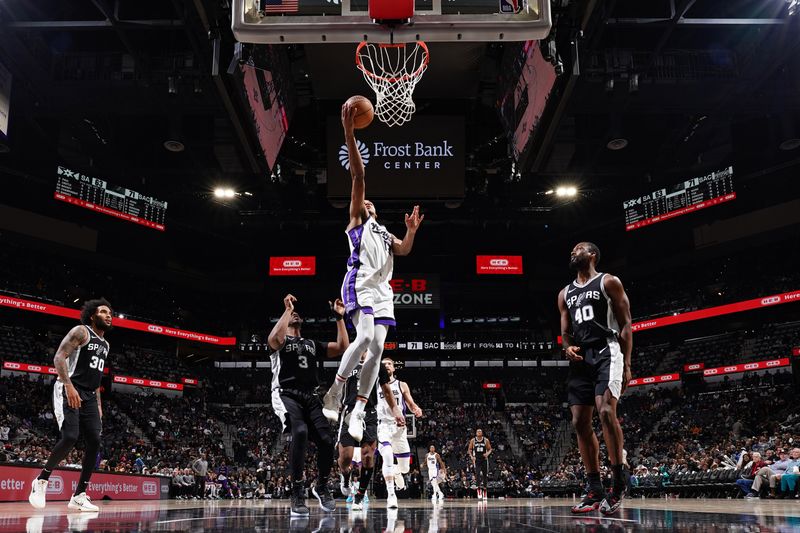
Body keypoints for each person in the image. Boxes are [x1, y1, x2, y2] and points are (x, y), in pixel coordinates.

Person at [321, 100, 424, 441]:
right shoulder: (356, 223)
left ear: (375, 209)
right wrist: (349, 133)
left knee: (378, 349)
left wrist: (410, 231)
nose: (364, 202)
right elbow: (358, 174)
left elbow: (406, 250)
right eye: (361, 201)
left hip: (383, 292)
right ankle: (336, 390)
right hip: (360, 281)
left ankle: (358, 410)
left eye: (369, 203)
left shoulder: (383, 230)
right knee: (363, 337)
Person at [559, 242, 632, 516]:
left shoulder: (608, 282)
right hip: (580, 359)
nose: (572, 252)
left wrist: (626, 364)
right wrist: (567, 346)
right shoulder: (565, 293)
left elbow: (626, 324)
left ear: (591, 255)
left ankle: (618, 482)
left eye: (577, 249)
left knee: (605, 411)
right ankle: (594, 489)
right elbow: (565, 331)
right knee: (579, 421)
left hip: (606, 350)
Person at [268, 294, 349, 517]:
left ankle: (321, 485)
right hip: (286, 394)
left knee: (326, 440)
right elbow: (273, 338)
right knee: (300, 431)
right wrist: (287, 310)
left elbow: (343, 346)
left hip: (310, 396)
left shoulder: (311, 344)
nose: (295, 314)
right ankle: (297, 489)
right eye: (291, 314)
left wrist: (338, 318)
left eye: (296, 313)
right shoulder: (281, 343)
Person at [29, 299, 113, 512]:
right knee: (70, 437)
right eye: (104, 312)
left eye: (110, 312)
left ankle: (79, 495)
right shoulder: (81, 332)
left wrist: (99, 405)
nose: (109, 315)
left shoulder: (106, 344)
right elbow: (59, 357)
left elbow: (96, 378)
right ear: (93, 316)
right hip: (69, 387)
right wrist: (68, 386)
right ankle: (41, 481)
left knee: (95, 441)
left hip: (90, 396)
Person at [376, 357, 423, 509]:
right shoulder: (375, 384)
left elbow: (409, 402)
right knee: (388, 455)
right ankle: (391, 495)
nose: (387, 366)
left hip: (400, 428)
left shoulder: (401, 384)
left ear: (394, 368)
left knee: (405, 469)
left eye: (389, 363)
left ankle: (396, 472)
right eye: (384, 364)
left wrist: (415, 408)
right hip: (383, 425)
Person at [468, 429, 492, 500]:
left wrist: (487, 453)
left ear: (482, 433)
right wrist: (472, 457)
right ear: (476, 433)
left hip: (484, 459)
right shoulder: (473, 440)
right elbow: (469, 450)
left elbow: (490, 449)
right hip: (477, 459)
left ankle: (484, 490)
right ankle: (478, 489)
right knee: (477, 474)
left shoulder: (485, 440)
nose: (479, 432)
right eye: (477, 431)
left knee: (485, 474)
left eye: (480, 431)